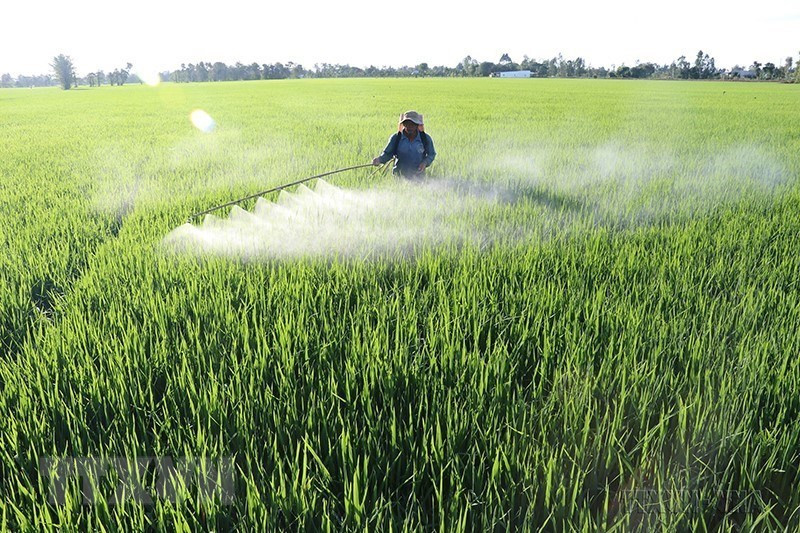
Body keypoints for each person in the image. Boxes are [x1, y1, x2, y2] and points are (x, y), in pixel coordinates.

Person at [372, 111, 436, 178]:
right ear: (403, 124)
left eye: (412, 124)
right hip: (399, 176)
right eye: (407, 124)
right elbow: (388, 154)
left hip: (418, 176)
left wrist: (424, 163)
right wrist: (379, 160)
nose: (409, 127)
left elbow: (431, 154)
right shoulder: (396, 138)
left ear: (417, 125)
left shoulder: (425, 138)